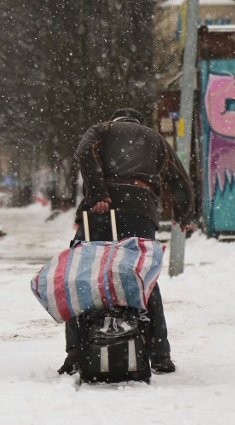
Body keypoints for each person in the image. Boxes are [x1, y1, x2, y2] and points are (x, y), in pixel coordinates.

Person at [57, 108, 195, 375]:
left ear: (116, 119)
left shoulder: (101, 129)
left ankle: (75, 350)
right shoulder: (154, 139)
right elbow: (179, 178)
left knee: (80, 272)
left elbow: (85, 152)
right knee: (144, 276)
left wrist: (98, 194)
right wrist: (183, 213)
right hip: (140, 210)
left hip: (100, 213)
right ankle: (160, 353)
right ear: (137, 123)